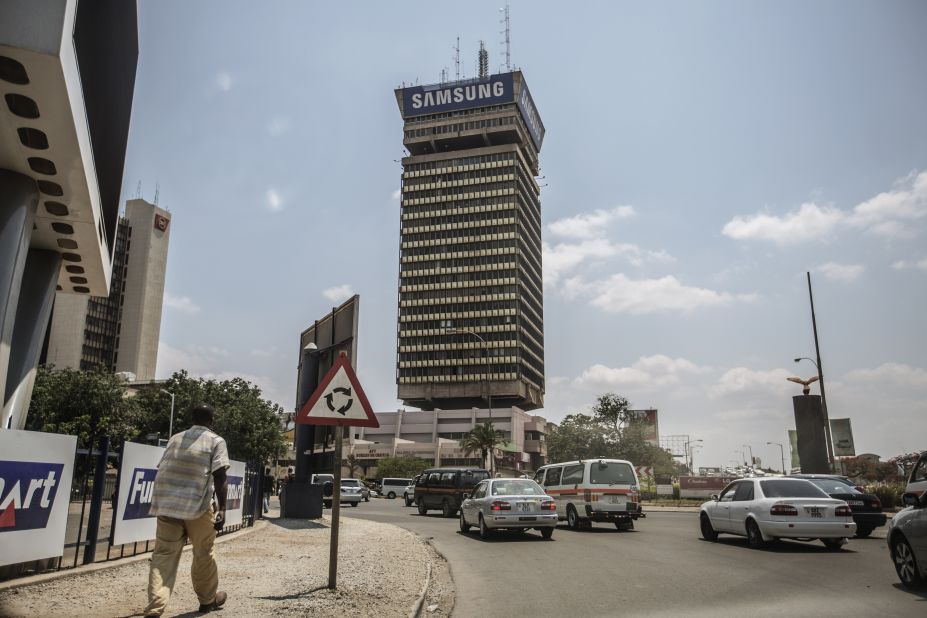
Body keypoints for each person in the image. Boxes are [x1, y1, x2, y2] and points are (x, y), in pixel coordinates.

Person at [143, 404, 230, 617]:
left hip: (167, 506)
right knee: (203, 553)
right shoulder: (216, 441)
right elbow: (220, 476)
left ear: (192, 419)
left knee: (163, 555)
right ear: (211, 420)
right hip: (198, 507)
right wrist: (223, 509)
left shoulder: (175, 438)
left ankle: (155, 608)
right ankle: (208, 600)